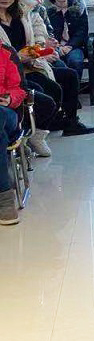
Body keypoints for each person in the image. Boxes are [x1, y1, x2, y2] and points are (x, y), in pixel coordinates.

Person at [0, 0, 94, 138]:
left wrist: (40, 48)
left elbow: (40, 35)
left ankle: (70, 122)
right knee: (48, 90)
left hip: (31, 64)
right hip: (10, 72)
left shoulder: (23, 13)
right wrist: (19, 57)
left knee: (70, 75)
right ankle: (38, 130)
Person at [44, 0, 92, 78]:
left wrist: (70, 46)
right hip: (54, 47)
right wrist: (58, 47)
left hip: (75, 46)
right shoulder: (47, 11)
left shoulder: (78, 8)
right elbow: (46, 32)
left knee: (75, 61)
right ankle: (61, 87)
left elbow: (82, 31)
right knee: (55, 63)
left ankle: (75, 86)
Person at [0, 45, 25, 224]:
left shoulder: (5, 53)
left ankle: (4, 197)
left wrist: (10, 98)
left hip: (5, 111)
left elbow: (19, 89)